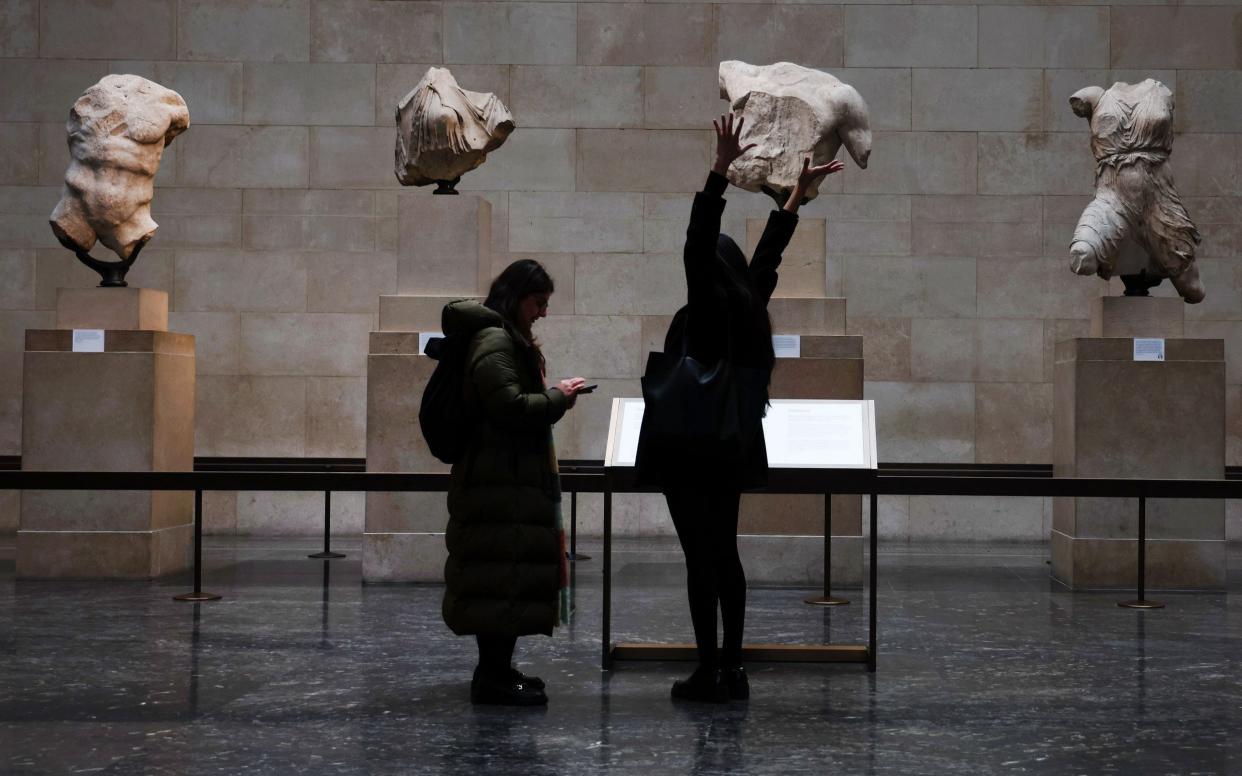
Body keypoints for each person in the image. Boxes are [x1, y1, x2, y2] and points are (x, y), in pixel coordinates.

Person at [635, 114, 844, 703]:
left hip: (688, 449)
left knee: (699, 559)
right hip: (731, 448)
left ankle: (708, 670)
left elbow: (697, 244)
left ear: (709, 274)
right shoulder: (749, 305)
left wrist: (719, 174)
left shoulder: (704, 313)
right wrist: (793, 201)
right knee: (725, 554)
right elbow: (766, 261)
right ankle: (733, 667)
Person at [440, 259, 588, 706]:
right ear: (517, 296)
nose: (542, 312)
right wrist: (559, 397)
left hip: (506, 482)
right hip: (496, 483)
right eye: (538, 303)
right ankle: (492, 679)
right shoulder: (494, 341)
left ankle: (499, 671)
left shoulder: (504, 339)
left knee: (505, 577)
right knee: (498, 577)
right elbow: (509, 408)